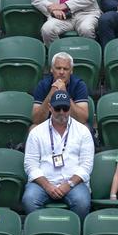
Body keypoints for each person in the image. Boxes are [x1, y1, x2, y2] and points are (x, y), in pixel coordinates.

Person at [22, 90, 94, 221]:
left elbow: (86, 166)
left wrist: (69, 184)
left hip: (74, 184)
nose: (61, 112)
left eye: (65, 108)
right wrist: (47, 185)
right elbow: (30, 165)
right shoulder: (36, 132)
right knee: (29, 200)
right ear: (50, 107)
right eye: (57, 108)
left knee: (82, 202)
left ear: (70, 108)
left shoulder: (83, 131)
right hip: (43, 183)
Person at [32, 52, 88, 127]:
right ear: (51, 69)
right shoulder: (42, 85)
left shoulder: (79, 85)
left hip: (72, 125)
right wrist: (52, 92)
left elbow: (82, 119)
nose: (61, 72)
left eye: (65, 69)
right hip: (48, 125)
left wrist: (64, 93)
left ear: (71, 71)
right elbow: (36, 119)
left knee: (86, 127)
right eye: (58, 68)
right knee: (33, 127)